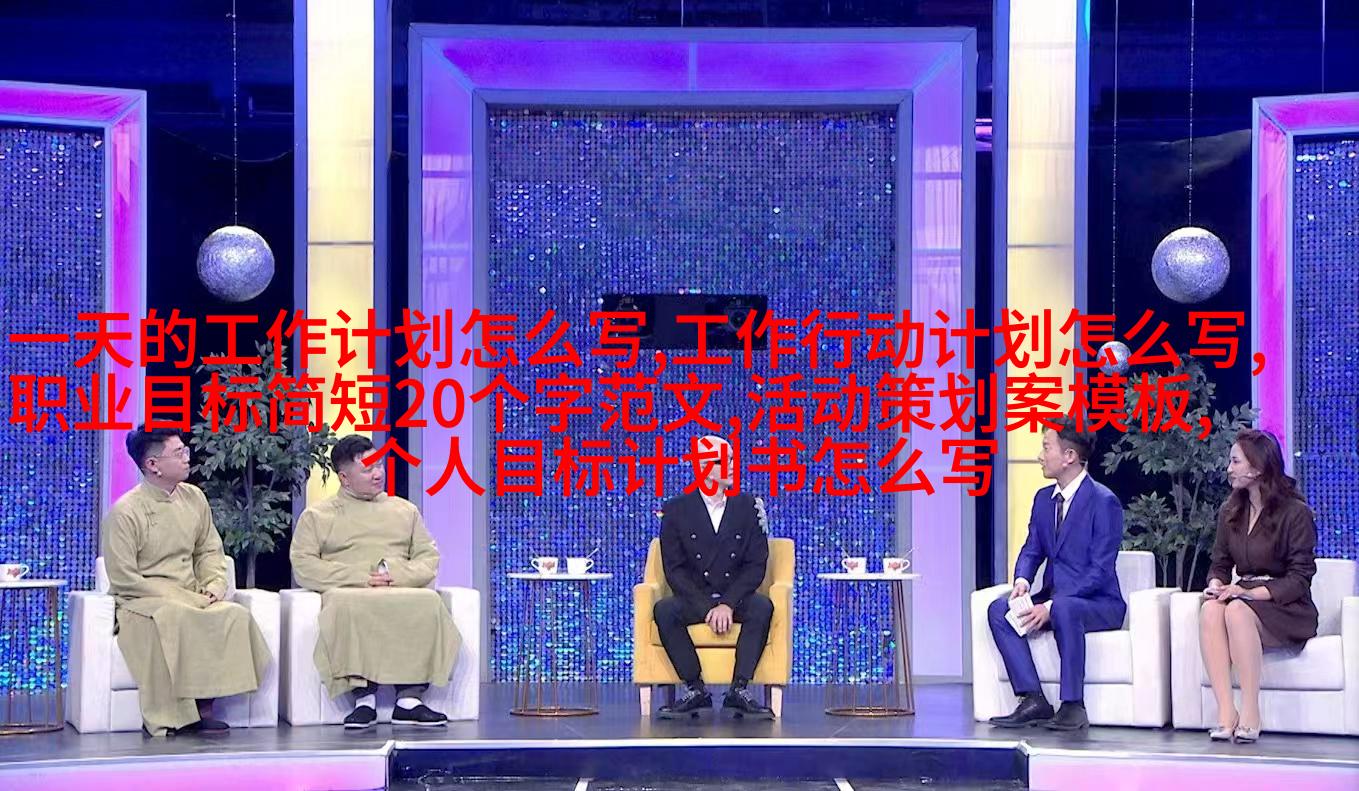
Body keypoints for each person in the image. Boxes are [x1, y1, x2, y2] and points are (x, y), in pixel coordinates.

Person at [101, 425, 272, 737]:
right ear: (152, 465)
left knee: (233, 615)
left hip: (193, 595)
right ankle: (174, 715)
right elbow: (124, 577)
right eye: (178, 453)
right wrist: (181, 598)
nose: (187, 458)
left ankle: (206, 706)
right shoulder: (126, 511)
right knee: (175, 615)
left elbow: (209, 550)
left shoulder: (195, 498)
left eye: (185, 451)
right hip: (142, 602)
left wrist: (215, 584)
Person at [291, 435, 460, 729]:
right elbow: (304, 565)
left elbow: (428, 558)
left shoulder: (404, 510)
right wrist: (359, 578)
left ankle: (409, 699)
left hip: (397, 586)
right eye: (367, 469)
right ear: (344, 478)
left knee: (428, 601)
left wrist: (397, 575)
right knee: (345, 605)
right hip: (350, 591)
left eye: (379, 465)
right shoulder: (317, 515)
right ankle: (364, 699)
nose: (378, 474)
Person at [986, 418, 1126, 731]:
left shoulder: (1104, 502)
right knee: (999, 609)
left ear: (1069, 457)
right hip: (1056, 599)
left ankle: (1073, 705)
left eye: (1046, 447)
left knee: (1063, 608)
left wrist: (1050, 606)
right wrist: (1022, 581)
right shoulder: (1042, 500)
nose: (1040, 456)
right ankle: (1032, 699)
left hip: (1098, 603)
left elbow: (1100, 571)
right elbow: (1032, 549)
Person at [1199, 429, 1318, 744]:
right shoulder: (1230, 511)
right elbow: (1220, 563)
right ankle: (1227, 713)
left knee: (1237, 611)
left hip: (1287, 606)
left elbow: (1299, 578)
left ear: (1258, 467)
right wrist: (1216, 585)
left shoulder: (1296, 513)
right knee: (1211, 610)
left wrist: (1248, 594)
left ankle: (1251, 712)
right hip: (1244, 597)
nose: (1229, 469)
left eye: (1236, 462)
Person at [653, 435, 774, 720]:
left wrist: (728, 604)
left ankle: (739, 690)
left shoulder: (748, 506)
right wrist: (707, 607)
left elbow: (756, 564)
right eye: (724, 460)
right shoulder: (676, 510)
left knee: (762, 607)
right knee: (664, 610)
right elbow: (674, 569)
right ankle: (695, 689)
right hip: (696, 597)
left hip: (735, 597)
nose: (732, 466)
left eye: (732, 459)